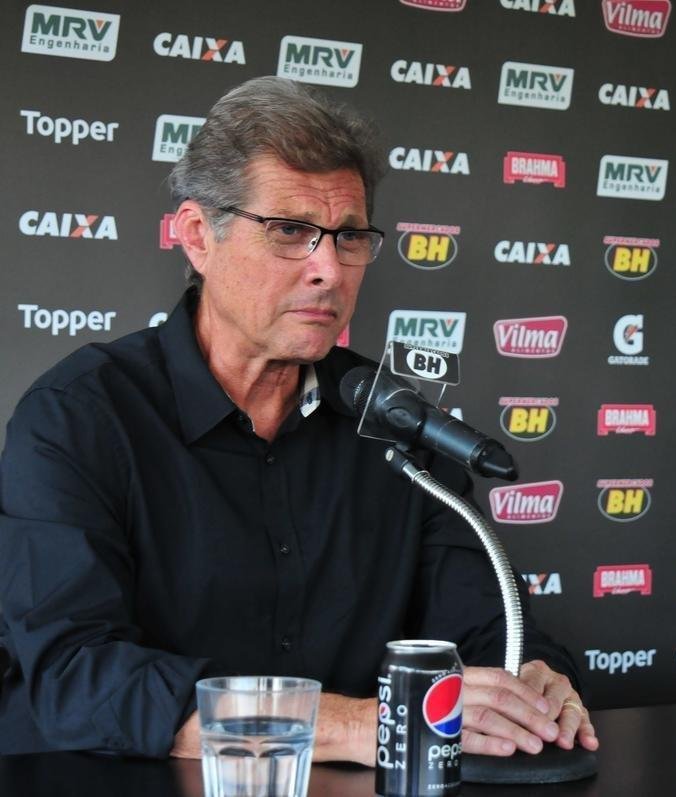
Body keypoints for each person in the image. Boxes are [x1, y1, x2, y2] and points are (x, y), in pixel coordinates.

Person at [0, 76, 598, 761]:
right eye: (290, 231)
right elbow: (76, 674)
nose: (329, 270)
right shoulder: (80, 416)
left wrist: (534, 679)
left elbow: (489, 626)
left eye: (349, 236)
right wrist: (357, 724)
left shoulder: (393, 418)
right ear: (198, 234)